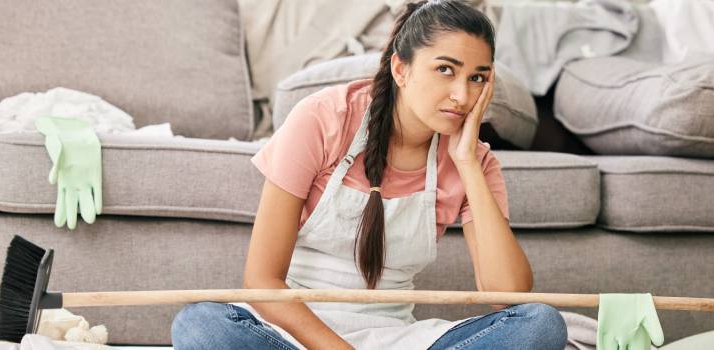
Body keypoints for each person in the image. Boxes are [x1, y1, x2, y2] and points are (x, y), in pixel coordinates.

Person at [171, 1, 568, 349]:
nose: (462, 96)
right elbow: (261, 281)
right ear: (401, 68)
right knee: (201, 326)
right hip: (292, 332)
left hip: (396, 336)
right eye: (446, 69)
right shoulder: (325, 117)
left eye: (477, 78)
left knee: (540, 324)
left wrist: (466, 160)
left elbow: (506, 295)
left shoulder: (473, 161)